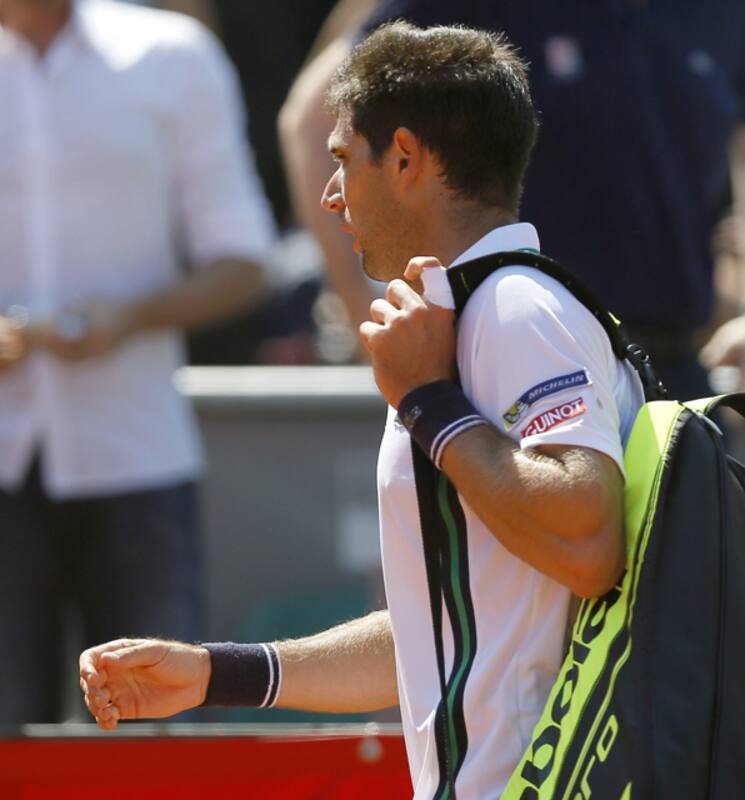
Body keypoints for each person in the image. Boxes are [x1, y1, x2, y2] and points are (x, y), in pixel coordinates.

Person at [81, 21, 644, 800]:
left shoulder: (515, 309)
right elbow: (438, 630)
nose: (327, 194)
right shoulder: (470, 314)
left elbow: (587, 541)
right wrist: (217, 673)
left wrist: (428, 402)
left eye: (343, 159)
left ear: (407, 159)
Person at [279, 0, 745, 398]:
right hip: (497, 360)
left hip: (667, 370)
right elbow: (314, 121)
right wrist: (363, 309)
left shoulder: (729, 10)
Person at [0, 0, 274, 724]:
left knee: (162, 746)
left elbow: (244, 258)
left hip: (137, 457)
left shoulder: (172, 55)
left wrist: (128, 318)